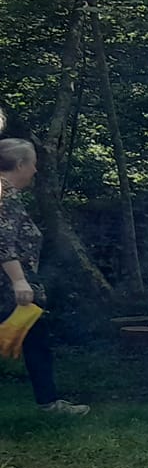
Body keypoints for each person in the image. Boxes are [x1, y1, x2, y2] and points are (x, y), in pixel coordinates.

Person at [0, 138, 87, 416]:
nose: (35, 170)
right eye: (33, 163)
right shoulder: (5, 195)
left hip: (14, 284)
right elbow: (3, 241)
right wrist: (19, 281)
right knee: (35, 343)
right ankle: (49, 404)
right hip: (9, 286)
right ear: (20, 164)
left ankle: (48, 403)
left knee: (36, 341)